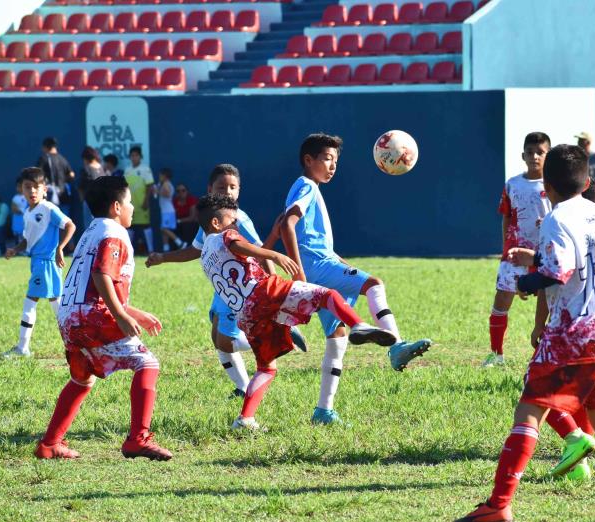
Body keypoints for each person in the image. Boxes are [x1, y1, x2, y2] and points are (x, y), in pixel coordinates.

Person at [453, 145, 595, 522]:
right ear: (586, 180)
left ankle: (498, 505)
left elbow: (558, 273)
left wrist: (528, 280)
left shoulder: (557, 219)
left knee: (529, 409)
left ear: (546, 185)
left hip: (571, 334)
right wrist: (534, 259)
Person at [198, 194, 396, 431]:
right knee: (328, 295)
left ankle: (245, 419)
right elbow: (236, 244)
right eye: (232, 220)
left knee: (266, 368)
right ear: (216, 224)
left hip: (247, 313)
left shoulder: (204, 257)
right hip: (264, 291)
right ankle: (359, 325)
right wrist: (274, 255)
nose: (236, 226)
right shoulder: (226, 235)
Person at [280, 133, 432, 425]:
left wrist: (342, 264)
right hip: (318, 268)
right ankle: (397, 346)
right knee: (374, 284)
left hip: (323, 264)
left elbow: (307, 237)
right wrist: (299, 271)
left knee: (337, 338)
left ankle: (323, 411)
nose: (333, 165)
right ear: (308, 160)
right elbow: (288, 223)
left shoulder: (309, 188)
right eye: (327, 158)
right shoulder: (306, 186)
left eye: (336, 160)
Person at [34, 175, 172, 461]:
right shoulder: (114, 233)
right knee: (148, 363)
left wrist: (132, 312)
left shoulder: (92, 231)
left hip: (70, 315)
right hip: (89, 316)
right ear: (116, 207)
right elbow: (101, 274)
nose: (132, 207)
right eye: (130, 202)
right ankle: (138, 439)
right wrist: (121, 313)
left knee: (81, 379)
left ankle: (50, 443)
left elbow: (90, 283)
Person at [146, 164, 306, 399]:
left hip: (242, 286)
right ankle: (242, 387)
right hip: (225, 287)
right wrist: (163, 258)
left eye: (233, 187)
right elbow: (195, 250)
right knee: (217, 339)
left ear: (239, 191)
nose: (228, 191)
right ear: (210, 189)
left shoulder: (238, 220)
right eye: (222, 187)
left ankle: (276, 334)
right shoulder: (213, 219)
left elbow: (260, 251)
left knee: (226, 341)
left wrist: (273, 286)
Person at [482, 132, 551, 367]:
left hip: (544, 255)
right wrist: (506, 247)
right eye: (530, 152)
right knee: (501, 301)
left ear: (548, 156)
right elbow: (507, 217)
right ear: (523, 155)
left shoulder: (552, 185)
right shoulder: (513, 184)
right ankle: (496, 354)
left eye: (540, 152)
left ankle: (540, 354)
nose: (534, 157)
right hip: (514, 254)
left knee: (547, 302)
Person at [3, 168, 75, 358]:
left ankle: (22, 348)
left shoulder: (48, 208)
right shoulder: (28, 212)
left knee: (30, 302)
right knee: (58, 306)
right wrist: (15, 250)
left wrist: (61, 248)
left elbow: (70, 225)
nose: (32, 191)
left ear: (45, 189)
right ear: (22, 189)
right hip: (37, 263)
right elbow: (28, 240)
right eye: (28, 187)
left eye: (37, 187)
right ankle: (78, 345)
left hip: (46, 263)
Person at [123, 145, 154, 254]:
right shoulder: (127, 170)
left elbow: (150, 186)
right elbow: (125, 187)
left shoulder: (145, 169)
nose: (134, 157)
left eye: (136, 155)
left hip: (142, 204)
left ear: (140, 157)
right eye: (132, 155)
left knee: (146, 226)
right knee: (129, 227)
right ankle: (128, 251)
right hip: (130, 204)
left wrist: (146, 201)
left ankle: (150, 250)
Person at [37, 137, 74, 208]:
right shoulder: (62, 159)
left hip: (50, 197)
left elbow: (37, 175)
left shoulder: (43, 158)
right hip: (63, 195)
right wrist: (63, 181)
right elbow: (71, 175)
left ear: (45, 147)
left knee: (50, 217)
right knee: (64, 218)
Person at [156, 168, 186, 251]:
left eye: (161, 175)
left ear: (164, 176)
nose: (159, 176)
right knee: (164, 231)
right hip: (165, 211)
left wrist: (157, 191)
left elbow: (167, 193)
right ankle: (166, 248)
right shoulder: (163, 184)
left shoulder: (166, 183)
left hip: (168, 211)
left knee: (163, 229)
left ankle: (180, 243)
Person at [78, 146, 106, 235]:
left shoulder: (86, 169)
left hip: (91, 203)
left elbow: (80, 186)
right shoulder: (101, 168)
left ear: (87, 158)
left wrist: (83, 199)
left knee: (89, 227)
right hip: (101, 202)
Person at [10, 178, 28, 247]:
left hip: (27, 221)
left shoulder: (29, 196)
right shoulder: (15, 198)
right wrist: (20, 211)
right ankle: (19, 250)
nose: (19, 188)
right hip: (17, 220)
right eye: (18, 186)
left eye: (20, 186)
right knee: (18, 236)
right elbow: (13, 208)